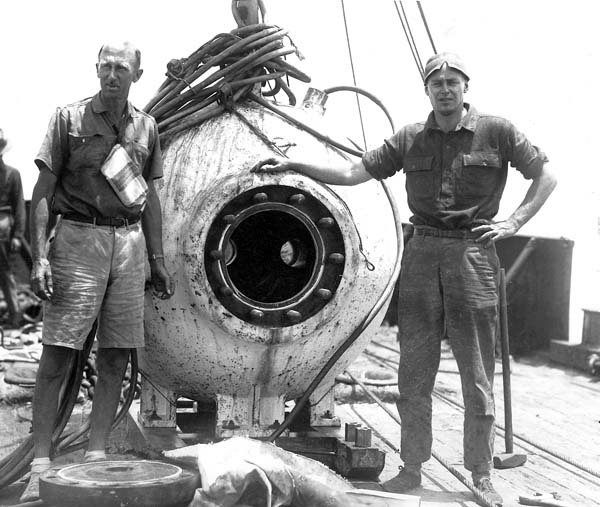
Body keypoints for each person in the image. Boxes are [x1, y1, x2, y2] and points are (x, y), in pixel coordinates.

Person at [253, 52, 557, 505]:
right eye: (437, 83)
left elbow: (546, 175)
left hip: (472, 256)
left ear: (465, 86)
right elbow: (356, 170)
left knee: (476, 372)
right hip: (421, 255)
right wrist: (298, 167)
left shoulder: (498, 131)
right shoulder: (411, 138)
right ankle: (411, 467)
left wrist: (513, 222)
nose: (446, 89)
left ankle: (481, 473)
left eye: (453, 81)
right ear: (428, 91)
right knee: (414, 371)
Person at [21, 41, 175, 502]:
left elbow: (150, 200)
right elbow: (43, 191)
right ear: (96, 70)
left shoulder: (147, 127)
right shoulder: (68, 120)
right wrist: (41, 257)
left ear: (137, 76)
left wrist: (157, 259)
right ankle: (40, 465)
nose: (111, 75)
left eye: (121, 69)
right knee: (59, 354)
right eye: (105, 67)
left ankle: (96, 456)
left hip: (127, 243)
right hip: (77, 240)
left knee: (117, 353)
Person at [0, 129, 26, 328]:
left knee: (5, 271)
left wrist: (17, 235)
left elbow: (19, 207)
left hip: (3, 224)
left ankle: (15, 314)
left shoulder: (12, 174)